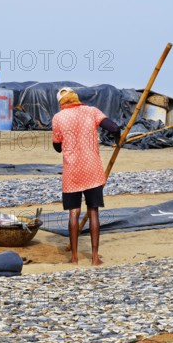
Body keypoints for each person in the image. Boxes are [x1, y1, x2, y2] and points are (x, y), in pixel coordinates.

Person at [52, 87, 121, 266]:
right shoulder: (91, 111)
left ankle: (74, 257)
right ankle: (95, 257)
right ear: (76, 98)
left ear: (61, 102)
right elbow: (114, 127)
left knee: (73, 213)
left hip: (72, 171)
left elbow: (57, 146)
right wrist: (118, 141)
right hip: (92, 169)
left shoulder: (58, 118)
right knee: (93, 211)